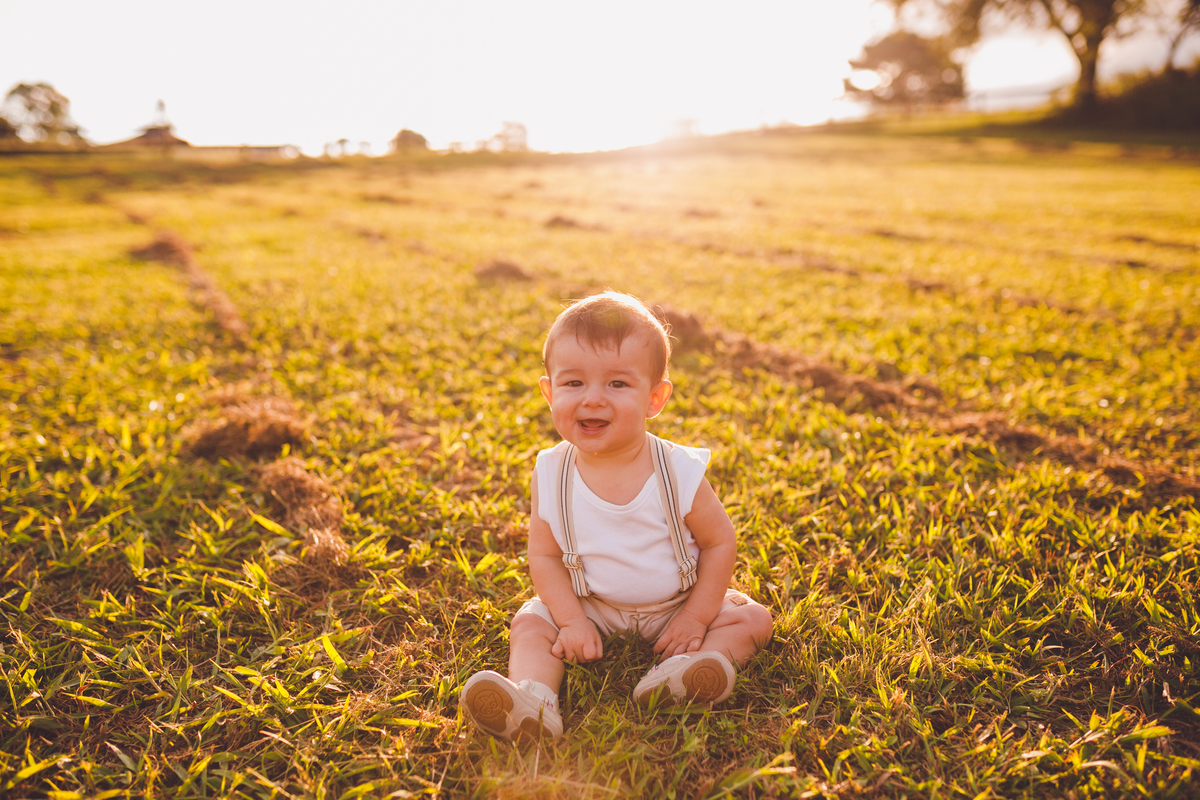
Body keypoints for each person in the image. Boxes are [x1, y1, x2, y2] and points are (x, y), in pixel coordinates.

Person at [460, 292, 773, 742]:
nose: (592, 400)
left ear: (655, 398)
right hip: (594, 606)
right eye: (573, 384)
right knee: (530, 623)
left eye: (617, 385)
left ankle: (683, 675)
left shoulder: (677, 470)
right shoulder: (551, 471)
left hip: (676, 604)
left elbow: (719, 542)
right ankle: (533, 699)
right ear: (549, 391)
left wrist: (696, 618)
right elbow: (545, 557)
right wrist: (571, 620)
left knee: (752, 619)